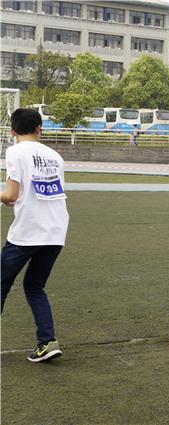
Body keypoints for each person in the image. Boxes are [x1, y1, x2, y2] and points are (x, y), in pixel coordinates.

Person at [1, 108, 69, 362]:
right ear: (40, 127)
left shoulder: (14, 151)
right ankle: (47, 342)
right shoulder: (55, 156)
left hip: (27, 231)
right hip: (55, 231)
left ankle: (47, 342)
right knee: (35, 287)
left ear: (13, 131)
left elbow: (11, 195)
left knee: (1, 283)